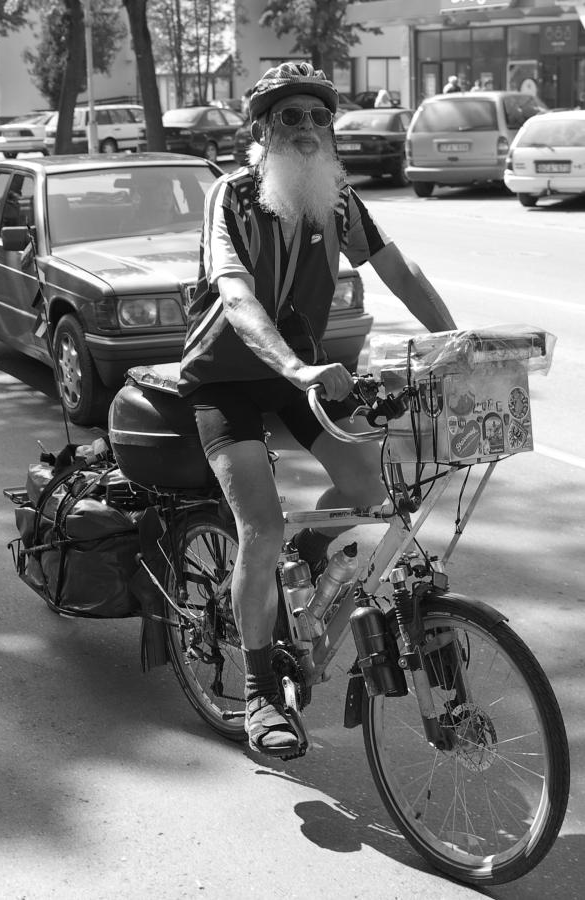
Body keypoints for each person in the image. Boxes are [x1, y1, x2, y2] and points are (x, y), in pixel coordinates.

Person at [178, 61, 457, 759]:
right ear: (262, 131)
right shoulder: (232, 196)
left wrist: (457, 345)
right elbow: (236, 296)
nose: (307, 128)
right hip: (227, 377)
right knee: (261, 526)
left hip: (300, 372)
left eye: (319, 116)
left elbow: (397, 269)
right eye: (289, 116)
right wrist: (296, 366)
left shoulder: (336, 199)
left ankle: (297, 558)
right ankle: (261, 693)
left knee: (368, 486)